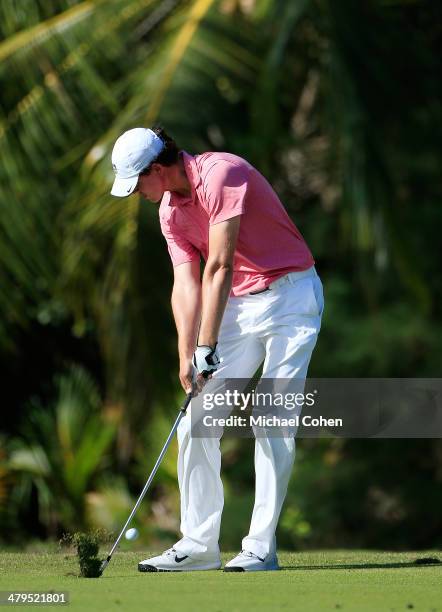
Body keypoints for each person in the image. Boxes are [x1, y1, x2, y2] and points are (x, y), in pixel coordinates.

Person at [110, 126, 324, 572]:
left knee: (272, 418)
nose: (138, 194)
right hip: (238, 309)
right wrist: (187, 351)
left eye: (138, 184)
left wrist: (207, 342)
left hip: (291, 297)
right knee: (197, 422)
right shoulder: (169, 212)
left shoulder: (221, 173)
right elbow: (185, 283)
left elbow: (220, 264)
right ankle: (198, 545)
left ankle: (260, 548)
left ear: (157, 169)